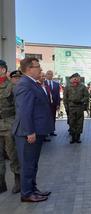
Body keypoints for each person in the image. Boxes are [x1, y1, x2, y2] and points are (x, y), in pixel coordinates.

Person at [13, 57, 54, 202]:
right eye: (38, 66)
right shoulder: (25, 84)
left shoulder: (32, 83)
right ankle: (26, 194)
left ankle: (32, 189)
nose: (41, 69)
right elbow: (24, 111)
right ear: (29, 69)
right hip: (28, 133)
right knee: (28, 165)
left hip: (35, 131)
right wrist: (30, 131)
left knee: (33, 164)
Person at [0, 60, 20, 194]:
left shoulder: (12, 86)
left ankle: (18, 181)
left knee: (13, 154)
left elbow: (19, 107)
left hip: (9, 124)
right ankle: (1, 183)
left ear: (3, 70)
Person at [63, 73, 89, 144]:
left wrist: (81, 101)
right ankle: (73, 137)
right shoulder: (67, 87)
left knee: (79, 123)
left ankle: (78, 137)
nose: (76, 79)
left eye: (77, 78)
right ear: (72, 78)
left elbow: (87, 96)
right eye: (74, 77)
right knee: (72, 122)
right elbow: (65, 98)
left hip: (79, 107)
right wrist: (66, 107)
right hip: (71, 107)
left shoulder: (82, 87)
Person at [45, 70, 61, 136]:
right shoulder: (43, 83)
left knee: (53, 117)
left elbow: (58, 95)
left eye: (51, 74)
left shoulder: (56, 84)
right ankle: (45, 132)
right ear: (46, 75)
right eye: (48, 74)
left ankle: (52, 131)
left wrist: (58, 104)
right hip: (46, 105)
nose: (50, 75)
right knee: (46, 118)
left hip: (53, 105)